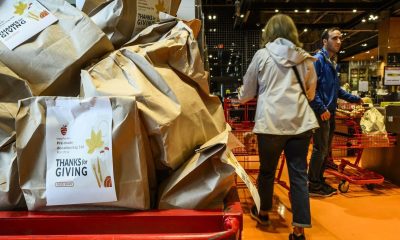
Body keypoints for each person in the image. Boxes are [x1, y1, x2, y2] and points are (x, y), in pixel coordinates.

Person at [238, 14, 319, 240]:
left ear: (269, 32)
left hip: (271, 124)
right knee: (298, 175)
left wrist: (240, 97)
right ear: (292, 32)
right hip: (300, 123)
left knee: (266, 172)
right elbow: (311, 93)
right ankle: (299, 229)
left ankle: (262, 212)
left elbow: (247, 91)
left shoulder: (262, 56)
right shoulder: (304, 58)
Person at [308, 28, 362, 197]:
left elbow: (336, 89)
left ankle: (319, 180)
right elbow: (311, 88)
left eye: (340, 38)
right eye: (334, 38)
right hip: (321, 112)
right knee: (320, 149)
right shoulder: (318, 60)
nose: (339, 41)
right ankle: (313, 185)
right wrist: (321, 108)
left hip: (329, 112)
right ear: (325, 41)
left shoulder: (331, 62)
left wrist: (353, 98)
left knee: (325, 150)